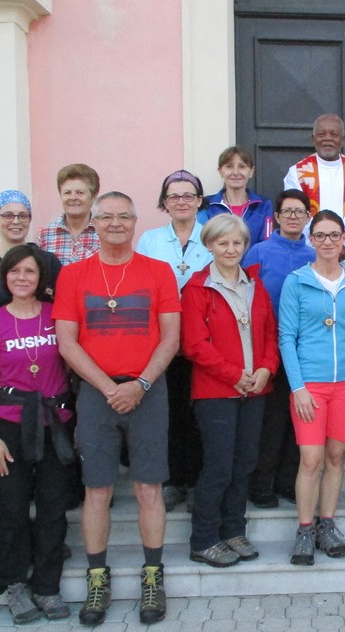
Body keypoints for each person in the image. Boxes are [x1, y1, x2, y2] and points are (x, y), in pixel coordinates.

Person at [53, 191, 181, 627]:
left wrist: (140, 384)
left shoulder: (158, 271)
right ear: (94, 222)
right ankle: (97, 578)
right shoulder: (74, 275)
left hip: (149, 391)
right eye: (106, 217)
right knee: (97, 490)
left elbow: (171, 337)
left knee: (149, 489)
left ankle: (152, 576)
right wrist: (110, 388)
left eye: (123, 216)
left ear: (134, 221)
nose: (115, 224)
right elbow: (67, 342)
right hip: (97, 393)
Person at [0, 244, 78, 623]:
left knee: (53, 506)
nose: (22, 278)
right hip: (11, 424)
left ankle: (47, 587)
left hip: (56, 422)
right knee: (14, 506)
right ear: (5, 276)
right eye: (15, 271)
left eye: (30, 271)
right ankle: (15, 584)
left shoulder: (57, 315)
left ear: (41, 278)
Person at [181, 215, 279, 566]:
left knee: (244, 463)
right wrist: (234, 375)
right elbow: (195, 344)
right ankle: (204, 539)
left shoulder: (255, 284)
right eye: (223, 243)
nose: (230, 249)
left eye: (237, 242)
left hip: (254, 391)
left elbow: (270, 333)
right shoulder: (197, 288)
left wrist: (266, 368)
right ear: (209, 245)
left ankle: (234, 529)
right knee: (219, 466)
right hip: (215, 392)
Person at [279, 210, 345, 565]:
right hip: (310, 384)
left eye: (334, 235)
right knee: (311, 459)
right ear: (311, 239)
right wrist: (298, 387)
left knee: (336, 457)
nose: (327, 241)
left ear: (344, 239)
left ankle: (327, 524)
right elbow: (286, 338)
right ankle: (304, 529)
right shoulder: (296, 281)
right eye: (320, 235)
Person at [137, 170, 211, 510]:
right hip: (162, 342)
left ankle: (198, 481)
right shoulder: (150, 241)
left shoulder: (213, 236)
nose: (181, 201)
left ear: (199, 200)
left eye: (188, 195)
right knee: (167, 413)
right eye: (174, 196)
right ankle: (172, 481)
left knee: (202, 414)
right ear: (164, 203)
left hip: (204, 340)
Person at [241, 189, 316, 508]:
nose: (293, 217)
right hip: (267, 348)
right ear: (277, 217)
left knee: (299, 418)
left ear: (308, 217)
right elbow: (244, 296)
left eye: (300, 212)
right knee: (271, 420)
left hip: (305, 350)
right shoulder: (258, 252)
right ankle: (261, 483)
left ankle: (288, 481)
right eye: (287, 211)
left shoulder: (314, 256)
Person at [284, 114, 345, 268]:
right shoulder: (297, 173)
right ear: (313, 139)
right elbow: (296, 215)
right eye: (321, 134)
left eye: (334, 134)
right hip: (309, 256)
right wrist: (319, 246)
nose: (327, 139)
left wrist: (338, 246)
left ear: (343, 140)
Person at [0, 190, 61, 313]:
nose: (16, 221)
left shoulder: (48, 261)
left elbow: (64, 304)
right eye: (8, 216)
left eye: (23, 216)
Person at [197, 146, 274, 248]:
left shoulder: (263, 205)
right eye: (229, 166)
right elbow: (203, 243)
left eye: (242, 167)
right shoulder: (207, 204)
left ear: (251, 171)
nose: (236, 173)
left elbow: (266, 245)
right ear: (220, 172)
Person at [37, 163, 101, 265]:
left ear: (93, 196)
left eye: (80, 192)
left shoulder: (104, 232)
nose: (73, 198)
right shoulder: (45, 235)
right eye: (67, 192)